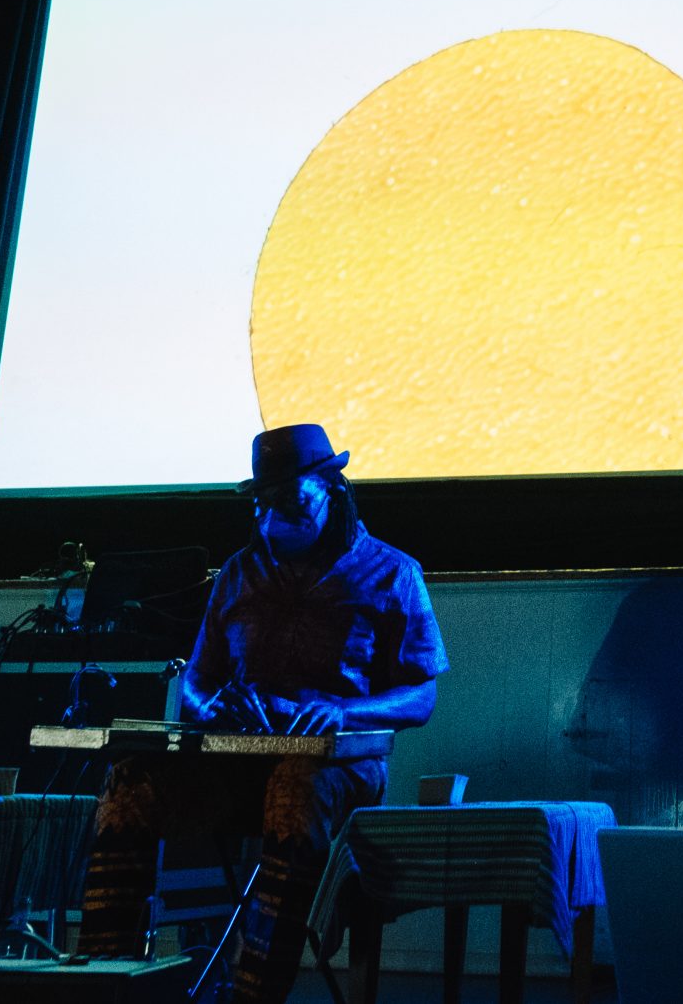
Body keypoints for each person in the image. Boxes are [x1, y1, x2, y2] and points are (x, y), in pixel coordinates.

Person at [78, 424, 446, 1002]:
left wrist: (343, 712)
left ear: (334, 491)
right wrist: (213, 706)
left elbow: (421, 696)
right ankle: (105, 983)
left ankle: (253, 993)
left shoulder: (394, 573)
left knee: (294, 788)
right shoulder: (239, 572)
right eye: (264, 504)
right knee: (129, 783)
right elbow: (196, 683)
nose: (275, 518)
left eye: (292, 503)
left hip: (335, 769)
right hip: (236, 765)